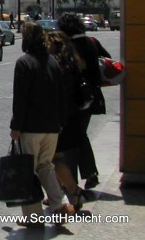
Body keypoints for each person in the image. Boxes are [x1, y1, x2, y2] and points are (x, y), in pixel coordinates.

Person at [10, 22, 75, 225]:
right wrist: (60, 122)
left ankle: (33, 216)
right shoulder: (53, 63)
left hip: (30, 127)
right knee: (46, 166)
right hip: (52, 127)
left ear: (26, 39)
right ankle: (59, 204)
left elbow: (21, 99)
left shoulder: (24, 63)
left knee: (27, 170)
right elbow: (61, 95)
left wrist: (16, 126)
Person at [46, 30, 96, 210]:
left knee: (56, 158)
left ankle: (73, 193)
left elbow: (57, 95)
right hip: (74, 115)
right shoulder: (73, 62)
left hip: (62, 118)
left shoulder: (57, 66)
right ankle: (61, 191)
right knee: (59, 157)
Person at [57, 13, 107, 190]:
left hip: (72, 98)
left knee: (68, 139)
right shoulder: (92, 42)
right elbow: (106, 62)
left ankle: (70, 183)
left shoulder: (65, 45)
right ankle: (90, 174)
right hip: (91, 96)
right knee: (80, 134)